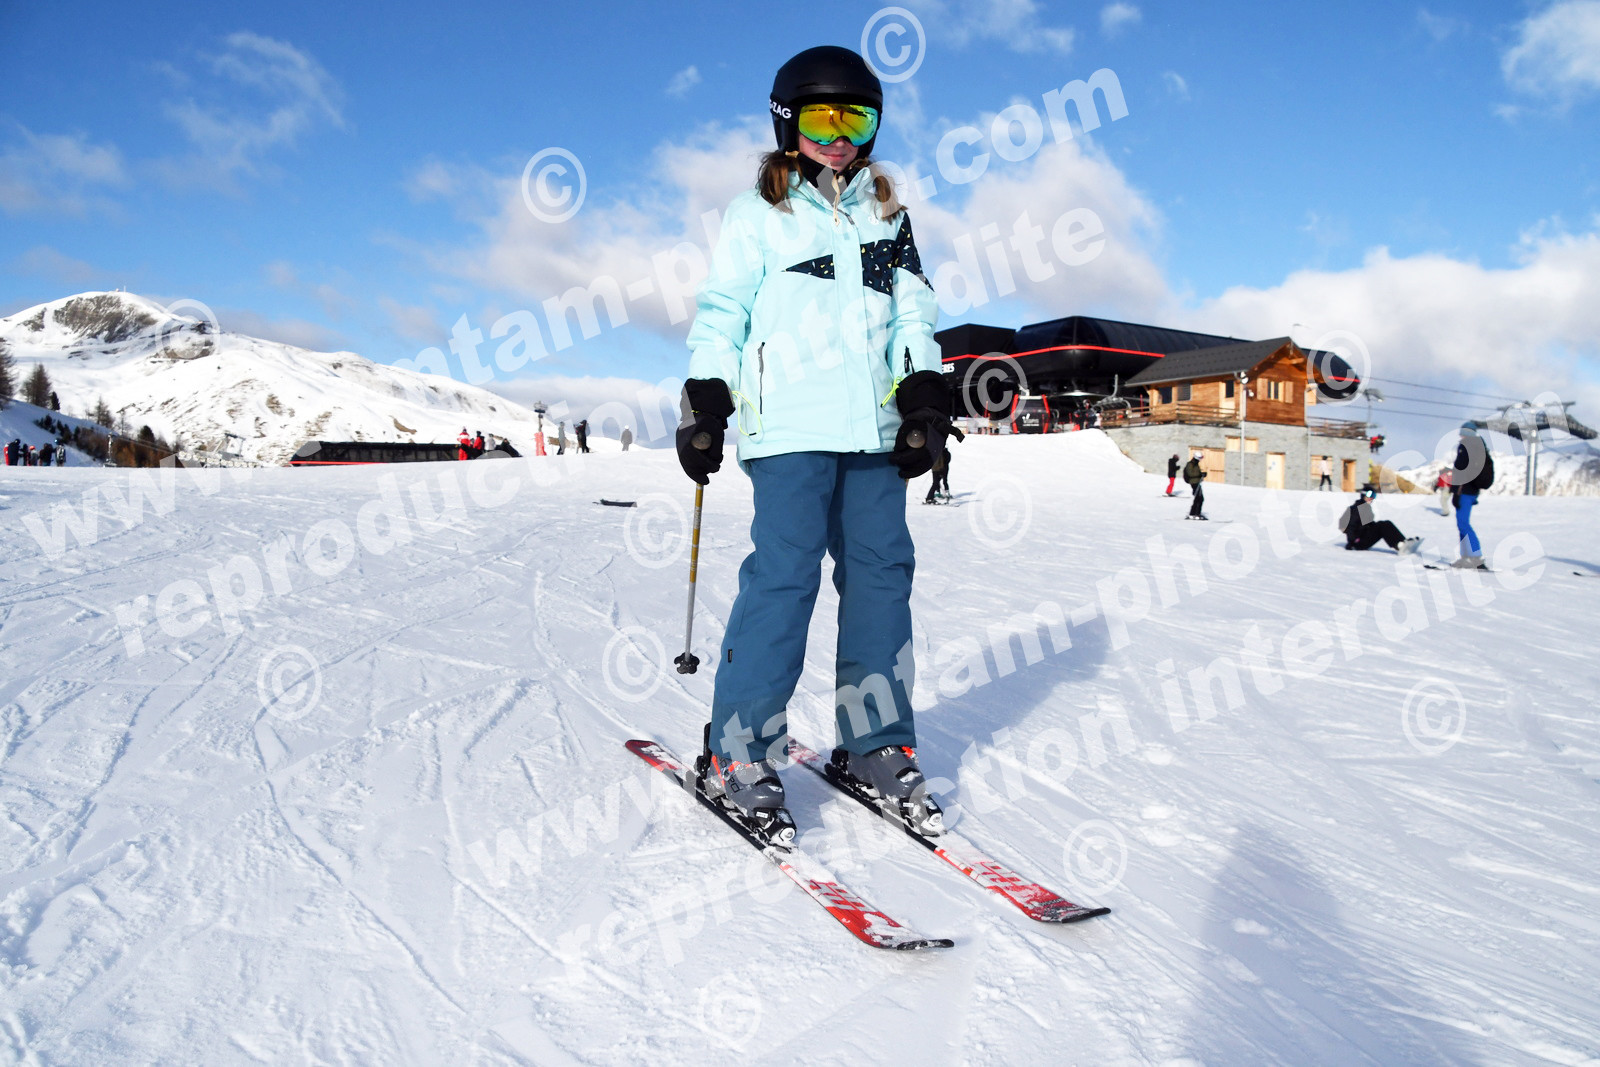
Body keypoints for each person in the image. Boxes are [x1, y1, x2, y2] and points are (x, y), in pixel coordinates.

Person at [677, 45, 944, 846]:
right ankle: (737, 753)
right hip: (789, 425)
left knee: (882, 578)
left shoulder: (889, 215)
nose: (840, 137)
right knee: (785, 580)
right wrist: (705, 397)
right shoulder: (756, 214)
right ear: (787, 122)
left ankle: (875, 743)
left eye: (856, 119)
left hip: (874, 430)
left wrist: (923, 391)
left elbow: (912, 311)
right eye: (824, 118)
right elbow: (723, 312)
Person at [1451, 423, 1493, 568]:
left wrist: (1456, 491)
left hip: (1465, 491)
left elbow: (1460, 470)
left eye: (1462, 432)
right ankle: (1466, 556)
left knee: (1463, 523)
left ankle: (1475, 556)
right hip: (1470, 490)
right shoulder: (1477, 446)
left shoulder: (1467, 446)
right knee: (1461, 523)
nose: (1460, 435)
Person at [1339, 485, 1421, 554]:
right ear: (1363, 495)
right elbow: (1351, 526)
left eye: (1373, 495)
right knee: (1382, 525)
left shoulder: (1364, 507)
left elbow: (1368, 525)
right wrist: (1352, 542)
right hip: (1358, 543)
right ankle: (1400, 545)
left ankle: (1402, 543)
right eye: (1370, 495)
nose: (1371, 498)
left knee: (1385, 523)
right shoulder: (1356, 508)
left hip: (1362, 538)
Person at [1182, 452, 1207, 519]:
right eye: (1200, 458)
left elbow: (1196, 473)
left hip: (1197, 482)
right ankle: (1195, 513)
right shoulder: (1190, 464)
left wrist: (1202, 474)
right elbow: (1190, 473)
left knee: (1198, 498)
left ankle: (1195, 513)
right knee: (1199, 498)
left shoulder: (1195, 464)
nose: (1200, 460)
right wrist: (1200, 474)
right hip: (1194, 483)